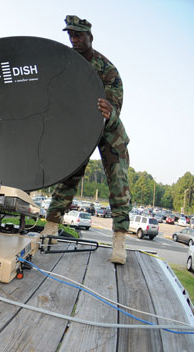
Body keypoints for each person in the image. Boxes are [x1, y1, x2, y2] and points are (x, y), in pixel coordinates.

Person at [42, 15, 131, 265]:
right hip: (79, 126)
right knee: (69, 173)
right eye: (70, 35)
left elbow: (115, 106)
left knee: (119, 180)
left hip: (108, 129)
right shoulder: (66, 63)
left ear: (90, 37)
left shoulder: (107, 69)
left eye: (78, 35)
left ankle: (119, 239)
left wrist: (109, 111)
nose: (73, 39)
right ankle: (51, 227)